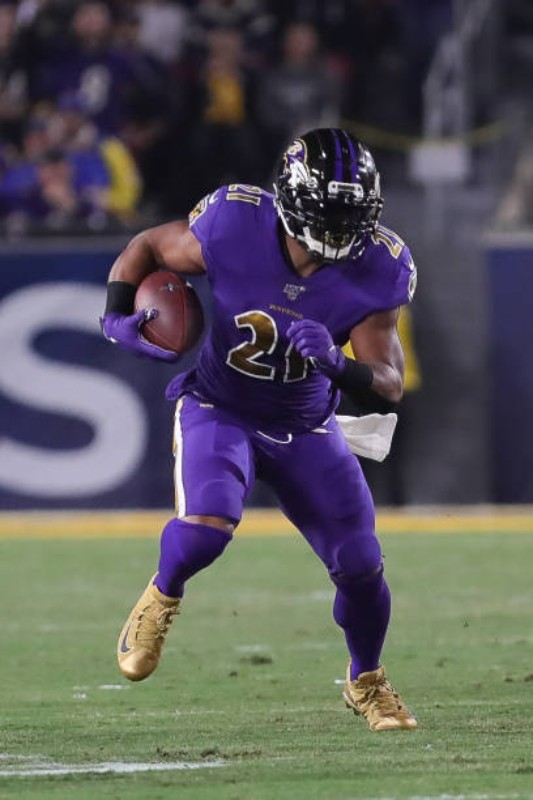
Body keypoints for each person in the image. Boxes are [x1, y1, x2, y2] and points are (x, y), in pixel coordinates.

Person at [101, 128, 418, 732]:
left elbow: (389, 382)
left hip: (305, 424)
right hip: (221, 405)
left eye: (352, 216)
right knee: (206, 530)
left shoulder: (379, 266)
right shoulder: (235, 224)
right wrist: (115, 316)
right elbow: (148, 245)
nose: (341, 231)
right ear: (293, 199)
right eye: (329, 214)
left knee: (361, 564)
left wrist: (339, 363)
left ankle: (367, 681)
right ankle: (162, 594)